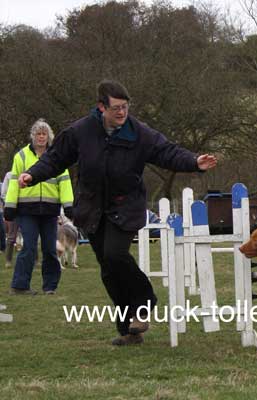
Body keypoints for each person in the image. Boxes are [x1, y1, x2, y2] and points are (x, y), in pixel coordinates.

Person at [19, 79, 217, 346]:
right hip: (92, 207)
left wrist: (194, 162)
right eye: (116, 108)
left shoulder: (139, 133)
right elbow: (55, 158)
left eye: (125, 107)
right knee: (108, 269)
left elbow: (166, 151)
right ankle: (129, 331)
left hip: (126, 205)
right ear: (101, 107)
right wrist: (33, 174)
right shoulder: (80, 131)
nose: (122, 113)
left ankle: (144, 303)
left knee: (115, 254)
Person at [5, 119, 74, 295]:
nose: (41, 137)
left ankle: (50, 286)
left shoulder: (57, 157)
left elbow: (65, 183)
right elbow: (14, 183)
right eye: (38, 134)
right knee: (28, 247)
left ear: (49, 136)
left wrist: (68, 206)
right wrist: (10, 206)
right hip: (27, 210)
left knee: (50, 249)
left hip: (50, 211)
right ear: (33, 136)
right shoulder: (21, 156)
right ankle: (20, 285)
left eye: (44, 134)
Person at [2, 171, 19, 268]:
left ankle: (36, 260)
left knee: (29, 235)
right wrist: (9, 205)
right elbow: (4, 193)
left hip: (26, 208)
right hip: (13, 209)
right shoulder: (9, 175)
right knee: (11, 236)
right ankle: (8, 260)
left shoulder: (31, 173)